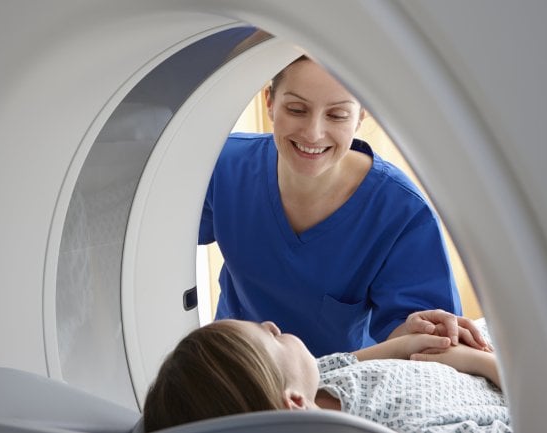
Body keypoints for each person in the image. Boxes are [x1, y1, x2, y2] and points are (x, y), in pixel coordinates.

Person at [199, 54, 483, 356]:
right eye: (296, 109)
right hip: (235, 365)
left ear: (361, 116)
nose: (313, 133)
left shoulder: (400, 211)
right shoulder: (222, 166)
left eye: (337, 115)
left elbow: (419, 336)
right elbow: (166, 234)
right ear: (269, 102)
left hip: (337, 378)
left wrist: (416, 329)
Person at [143, 319, 509, 433]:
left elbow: (358, 359)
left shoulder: (314, 383)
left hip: (483, 342)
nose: (271, 324)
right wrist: (482, 363)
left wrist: (411, 340)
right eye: (272, 338)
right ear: (294, 403)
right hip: (510, 377)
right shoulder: (395, 423)